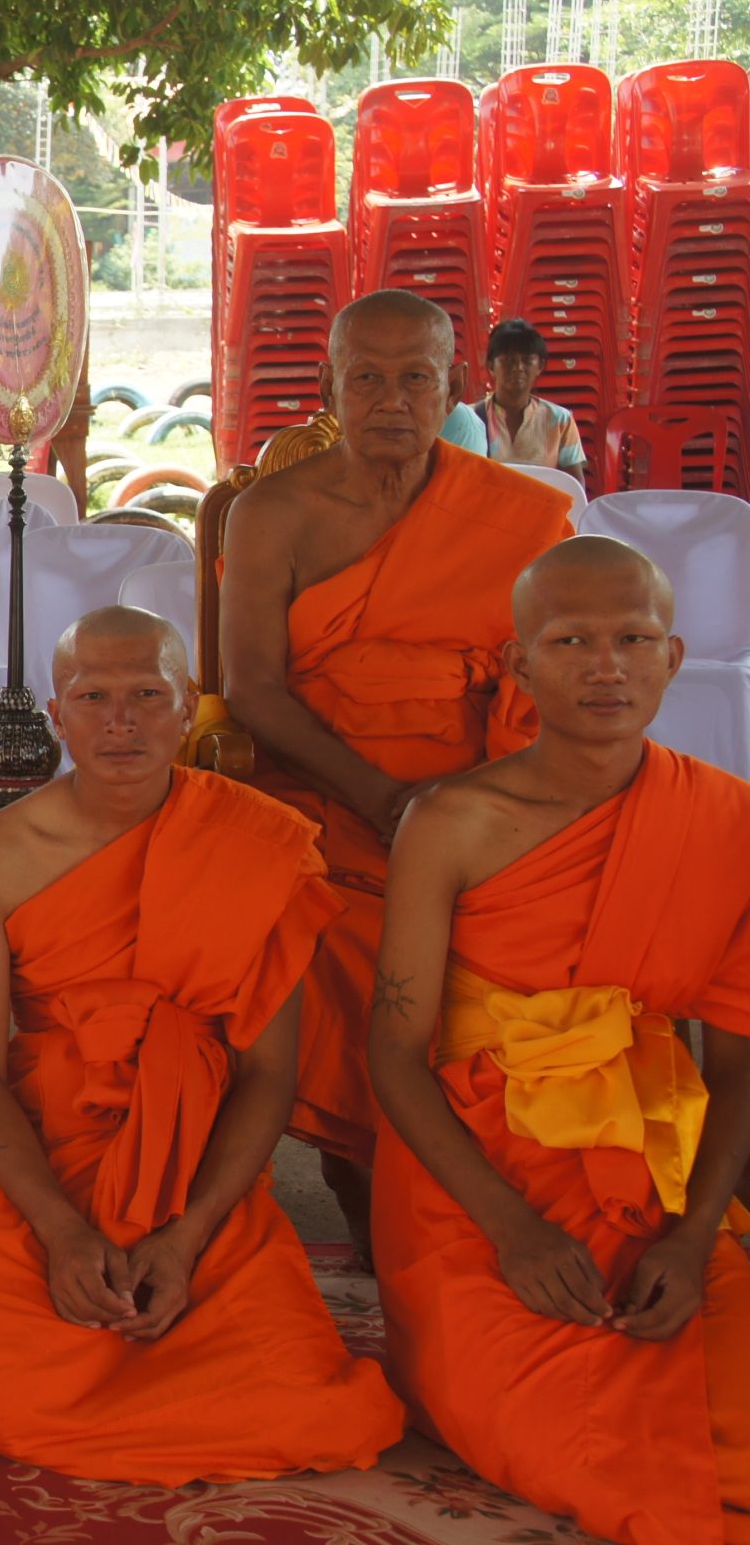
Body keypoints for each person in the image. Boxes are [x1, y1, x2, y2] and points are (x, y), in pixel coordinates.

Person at [0, 608, 404, 1482]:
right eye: (94, 697)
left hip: (201, 1162)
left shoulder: (260, 843)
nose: (121, 722)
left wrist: (187, 1239)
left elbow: (270, 1073)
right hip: (50, 1153)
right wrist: (62, 1232)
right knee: (13, 1400)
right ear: (56, 710)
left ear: (188, 705)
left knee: (304, 1405)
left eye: (148, 695)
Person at [372, 537, 750, 1545]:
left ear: (672, 659)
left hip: (643, 1168)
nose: (605, 666)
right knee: (586, 1447)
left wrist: (695, 1232)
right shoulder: (451, 822)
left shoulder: (722, 821)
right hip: (477, 1176)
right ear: (519, 663)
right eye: (570, 639)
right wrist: (511, 1229)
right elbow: (395, 1056)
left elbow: (737, 1067)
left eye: (632, 639)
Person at [217, 288, 573, 1247]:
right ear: (329, 385)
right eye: (365, 377)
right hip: (324, 800)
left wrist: (475, 812)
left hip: (481, 806)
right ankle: (378, 1201)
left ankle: (512, 1196)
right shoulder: (273, 513)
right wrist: (379, 799)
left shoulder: (519, 516)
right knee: (332, 940)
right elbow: (252, 690)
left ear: (454, 385)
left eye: (416, 377)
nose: (391, 399)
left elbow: (553, 686)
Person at [468, 319, 587, 475]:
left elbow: (574, 487)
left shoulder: (560, 421)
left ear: (540, 366)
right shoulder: (470, 418)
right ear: (491, 365)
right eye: (508, 360)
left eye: (527, 360)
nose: (518, 368)